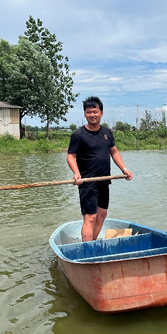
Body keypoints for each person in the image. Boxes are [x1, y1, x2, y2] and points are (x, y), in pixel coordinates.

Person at [67, 96, 133, 241]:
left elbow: (114, 152)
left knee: (102, 215)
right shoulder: (79, 135)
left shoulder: (107, 133)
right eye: (89, 112)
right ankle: (87, 249)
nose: (92, 115)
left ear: (101, 113)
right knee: (90, 217)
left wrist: (124, 169)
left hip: (104, 181)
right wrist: (77, 174)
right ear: (85, 114)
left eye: (95, 111)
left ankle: (93, 243)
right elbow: (71, 156)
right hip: (88, 182)